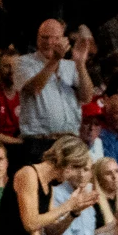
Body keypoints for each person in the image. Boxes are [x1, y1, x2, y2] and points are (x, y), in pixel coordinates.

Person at [14, 19, 93, 164]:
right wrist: (55, 60)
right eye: (44, 37)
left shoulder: (71, 66)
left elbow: (87, 97)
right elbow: (35, 88)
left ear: (64, 40)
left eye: (55, 38)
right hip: (39, 142)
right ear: (37, 38)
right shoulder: (23, 62)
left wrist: (81, 64)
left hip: (69, 140)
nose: (49, 42)